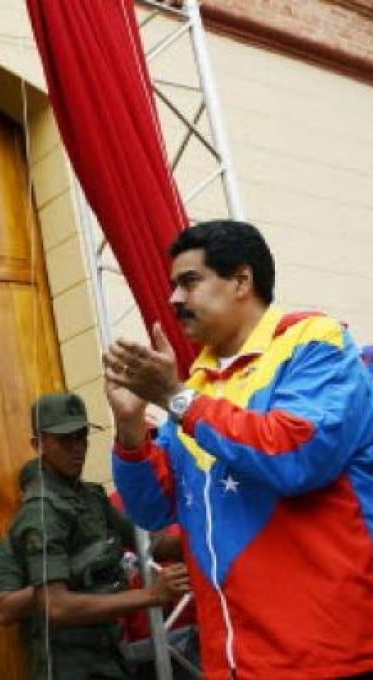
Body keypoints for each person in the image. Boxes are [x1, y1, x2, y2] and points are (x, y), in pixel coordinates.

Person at [103, 219, 373, 679]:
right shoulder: (199, 384)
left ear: (242, 281)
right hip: (231, 662)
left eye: (190, 282)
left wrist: (174, 398)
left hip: (327, 657)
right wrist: (129, 428)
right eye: (173, 286)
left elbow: (296, 457)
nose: (174, 299)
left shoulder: (314, 341)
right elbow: (153, 510)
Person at [8, 392, 189, 680]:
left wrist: (207, 533)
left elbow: (156, 546)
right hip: (70, 665)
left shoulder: (92, 497)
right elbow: (55, 606)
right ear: (38, 444)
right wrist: (151, 595)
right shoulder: (41, 511)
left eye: (82, 437)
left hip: (109, 653)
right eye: (65, 440)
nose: (77, 448)